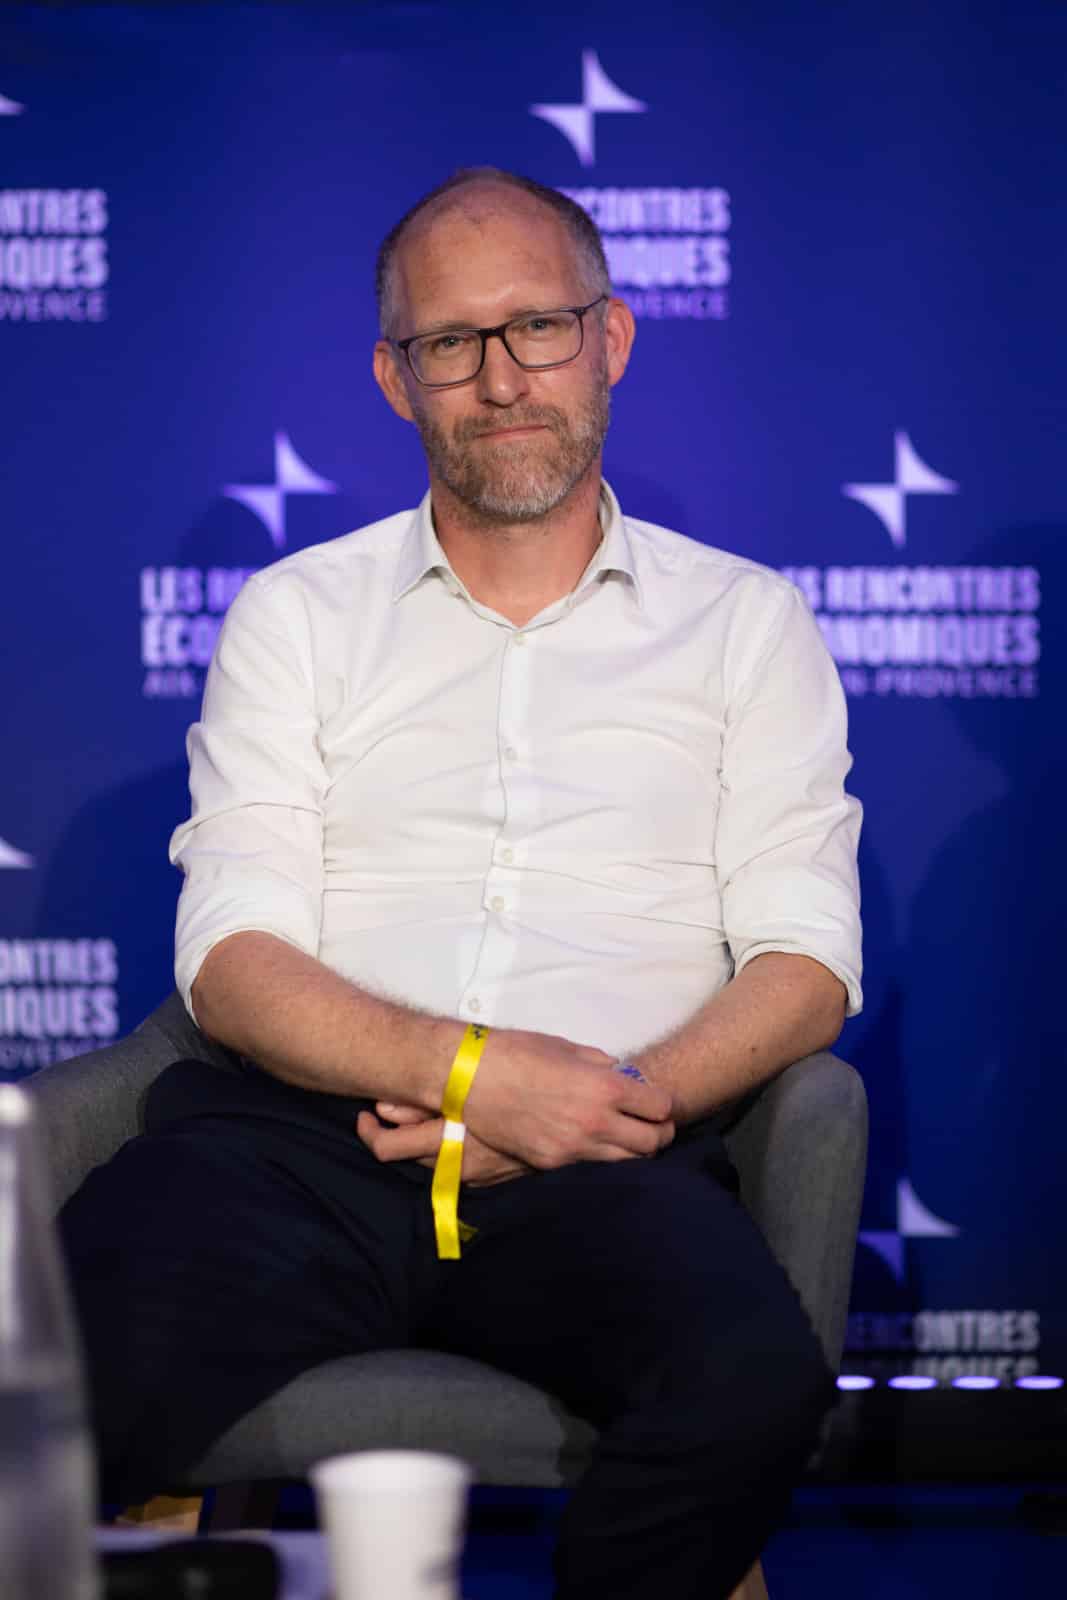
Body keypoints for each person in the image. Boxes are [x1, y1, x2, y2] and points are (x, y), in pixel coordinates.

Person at [60, 167, 862, 1600]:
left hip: (610, 1160)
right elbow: (233, 957)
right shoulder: (298, 616)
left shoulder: (747, 624)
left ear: (611, 337)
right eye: (450, 342)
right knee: (45, 1373)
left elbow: (805, 961)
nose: (502, 379)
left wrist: (608, 1105)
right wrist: (478, 1075)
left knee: (750, 1385)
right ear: (395, 378)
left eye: (538, 326)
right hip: (300, 1151)